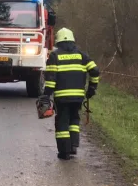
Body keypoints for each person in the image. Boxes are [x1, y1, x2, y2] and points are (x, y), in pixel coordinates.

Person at [41, 28, 100, 160]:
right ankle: (73, 146)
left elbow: (50, 80)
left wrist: (46, 95)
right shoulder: (82, 55)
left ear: (58, 41)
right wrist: (92, 88)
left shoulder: (55, 56)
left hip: (62, 98)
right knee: (74, 119)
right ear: (73, 40)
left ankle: (64, 152)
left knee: (62, 122)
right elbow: (95, 71)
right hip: (78, 97)